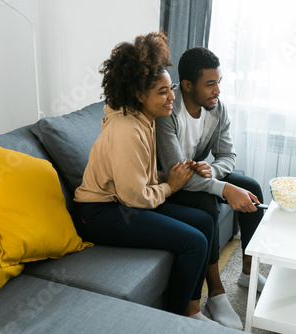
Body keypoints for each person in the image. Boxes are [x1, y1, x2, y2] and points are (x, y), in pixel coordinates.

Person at [73, 33, 215, 322]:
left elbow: (140, 177)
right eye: (163, 92)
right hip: (100, 214)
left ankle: (192, 308)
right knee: (194, 242)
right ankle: (169, 321)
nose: (172, 97)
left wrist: (177, 173)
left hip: (123, 204)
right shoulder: (127, 129)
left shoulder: (143, 119)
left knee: (204, 220)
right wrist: (171, 185)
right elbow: (136, 197)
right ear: (139, 95)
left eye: (170, 88)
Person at [155, 46, 266, 329]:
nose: (217, 91)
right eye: (210, 84)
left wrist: (213, 170)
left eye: (219, 83)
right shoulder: (167, 111)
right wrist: (224, 189)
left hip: (198, 175)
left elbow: (227, 155)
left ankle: (248, 272)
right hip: (172, 183)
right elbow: (175, 171)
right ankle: (216, 293)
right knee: (208, 204)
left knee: (251, 187)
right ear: (188, 86)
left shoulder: (217, 108)